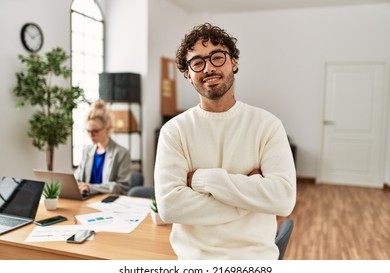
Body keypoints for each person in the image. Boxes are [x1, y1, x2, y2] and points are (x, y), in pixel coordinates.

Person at [154, 23, 296, 260]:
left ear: (234, 62)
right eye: (197, 62)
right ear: (188, 74)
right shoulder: (174, 131)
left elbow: (282, 199)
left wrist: (202, 179)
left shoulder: (268, 125)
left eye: (217, 57)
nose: (209, 67)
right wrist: (251, 198)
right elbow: (170, 207)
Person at [75, 99, 132, 195]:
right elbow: (78, 177)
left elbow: (122, 187)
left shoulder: (122, 153)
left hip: (109, 202)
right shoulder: (87, 150)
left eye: (95, 131)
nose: (90, 135)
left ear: (107, 129)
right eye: (88, 131)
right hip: (87, 200)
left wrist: (91, 188)